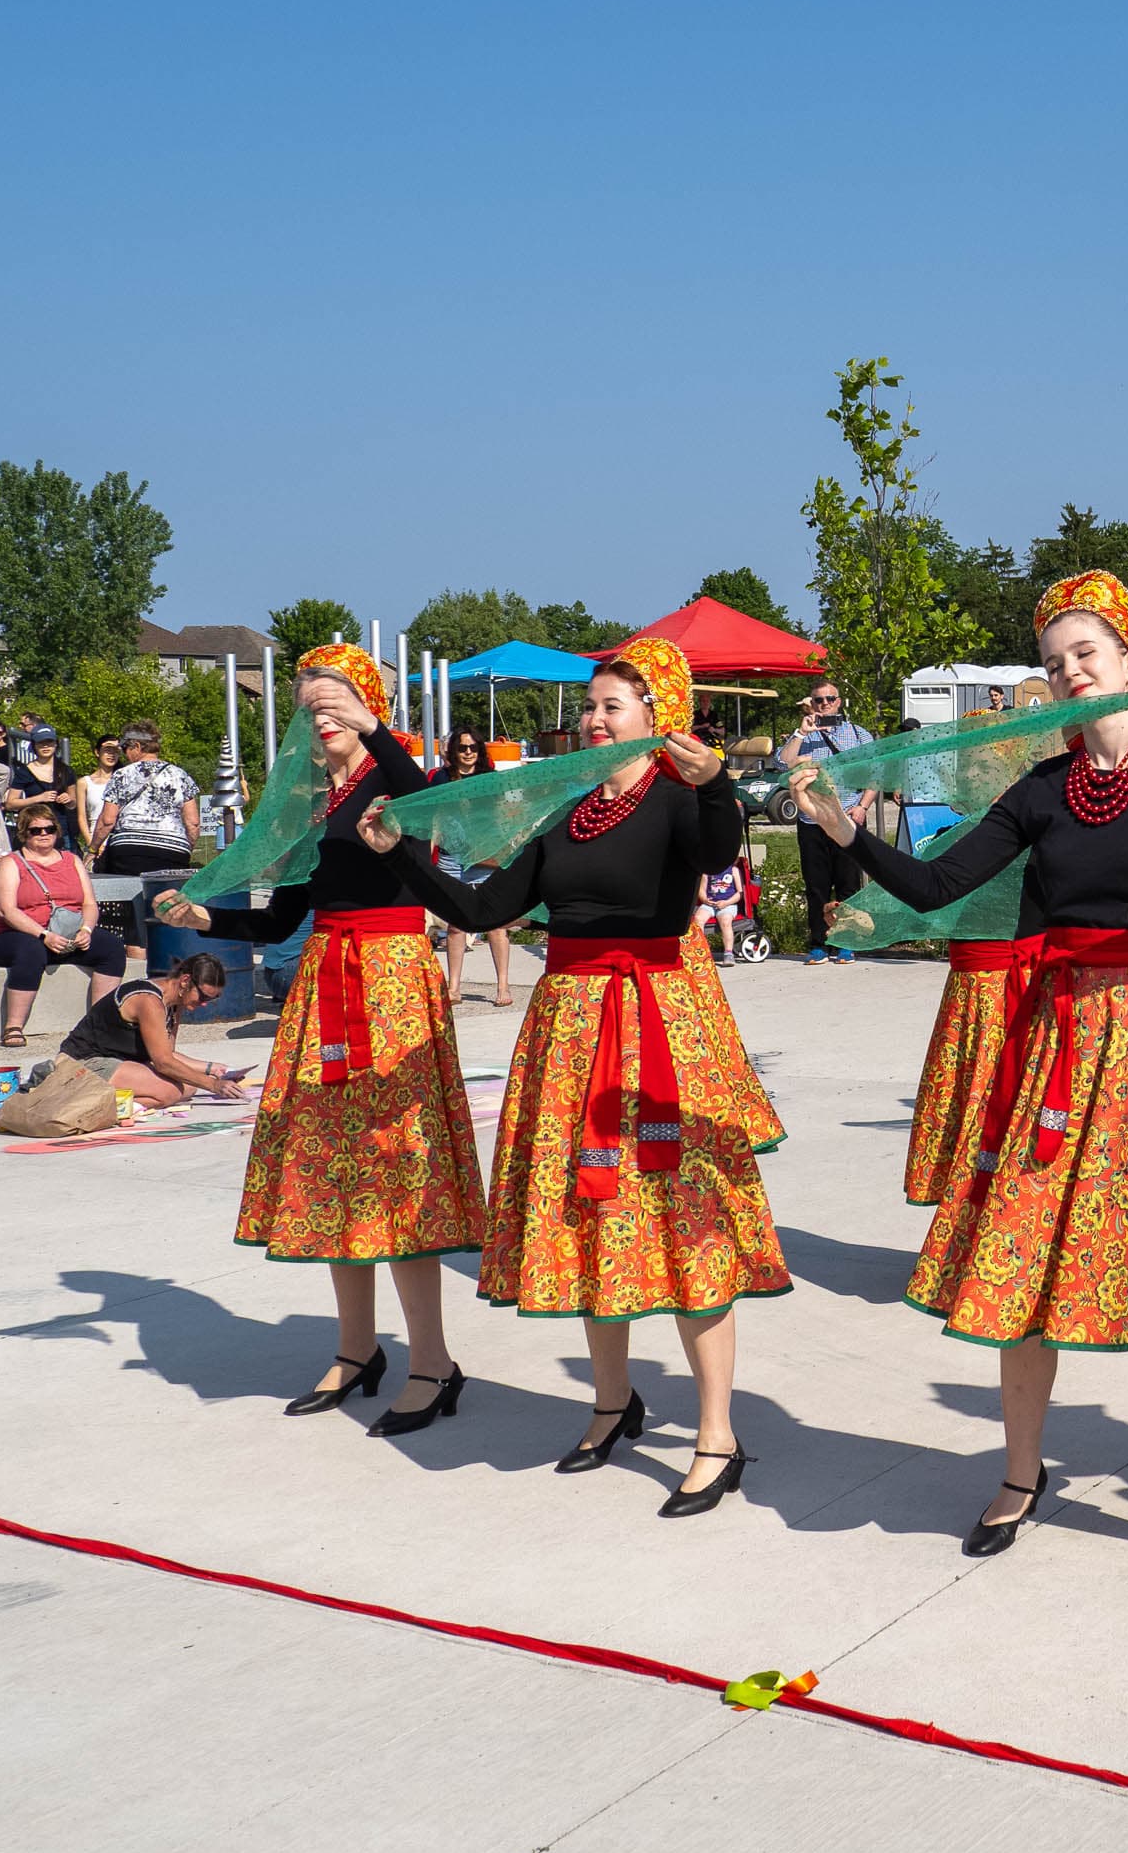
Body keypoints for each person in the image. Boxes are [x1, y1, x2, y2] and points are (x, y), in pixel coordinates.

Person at [792, 570, 1128, 1581]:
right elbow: (937, 885)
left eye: (1086, 653)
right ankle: (1020, 1472)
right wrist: (845, 834)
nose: (1070, 673)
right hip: (1055, 1039)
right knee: (1021, 1256)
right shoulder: (1044, 789)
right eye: (1055, 663)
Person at [365, 636, 788, 1517]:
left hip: (657, 1026)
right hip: (568, 1023)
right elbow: (485, 908)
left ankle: (717, 1434)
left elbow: (718, 851)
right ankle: (610, 1402)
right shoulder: (564, 811)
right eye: (590, 705)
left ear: (655, 717)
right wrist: (400, 851)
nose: (593, 718)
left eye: (612, 705)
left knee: (682, 1224)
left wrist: (712, 778)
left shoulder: (680, 799)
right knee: (589, 1212)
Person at [153, 645, 490, 1433]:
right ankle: (356, 1348)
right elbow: (278, 917)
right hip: (325, 974)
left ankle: (433, 1360)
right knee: (333, 1167)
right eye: (310, 704)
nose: (320, 713)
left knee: (400, 1172)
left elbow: (433, 810)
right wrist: (208, 917)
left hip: (393, 983)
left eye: (334, 697)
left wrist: (376, 730)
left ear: (369, 700)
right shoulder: (313, 798)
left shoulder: (396, 776)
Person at [0, 808, 127, 1047]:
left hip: (67, 932)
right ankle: (13, 1026)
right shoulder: (11, 863)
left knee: (112, 946)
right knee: (31, 950)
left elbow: (89, 903)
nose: (43, 834)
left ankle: (99, 1023)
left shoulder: (72, 860)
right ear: (24, 834)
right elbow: (6, 911)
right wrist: (43, 934)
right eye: (35, 830)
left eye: (49, 829)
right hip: (15, 934)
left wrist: (86, 930)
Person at [59, 953, 247, 1108]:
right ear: (185, 980)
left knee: (189, 1086)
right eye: (203, 996)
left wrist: (213, 1069)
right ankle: (84, 1102)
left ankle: (116, 1101)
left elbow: (167, 1053)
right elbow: (163, 1063)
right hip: (83, 1062)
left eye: (211, 999)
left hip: (118, 1059)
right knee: (169, 1092)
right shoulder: (149, 1001)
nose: (204, 1003)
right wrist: (214, 1085)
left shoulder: (175, 1002)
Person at [781, 681, 874, 962]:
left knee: (848, 884)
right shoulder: (803, 735)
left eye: (830, 699)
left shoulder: (858, 734)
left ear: (839, 701)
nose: (824, 704)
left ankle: (846, 941)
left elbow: (874, 773)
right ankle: (819, 943)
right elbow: (784, 762)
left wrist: (862, 806)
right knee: (816, 885)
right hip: (812, 821)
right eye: (819, 700)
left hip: (846, 818)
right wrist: (800, 732)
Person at [426, 727, 514, 1006]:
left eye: (472, 748)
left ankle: (503, 986)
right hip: (452, 855)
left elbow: (500, 815)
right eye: (462, 748)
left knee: (496, 924)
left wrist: (503, 850)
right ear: (454, 750)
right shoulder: (441, 778)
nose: (467, 753)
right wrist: (428, 854)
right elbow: (435, 818)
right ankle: (454, 987)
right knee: (455, 924)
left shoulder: (489, 779)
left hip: (482, 854)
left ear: (480, 750)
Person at [89, 722, 201, 887]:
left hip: (129, 851)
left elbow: (107, 820)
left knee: (129, 899)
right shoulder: (180, 775)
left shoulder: (122, 775)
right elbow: (193, 823)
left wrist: (92, 849)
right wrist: (184, 847)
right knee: (168, 903)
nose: (125, 754)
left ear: (137, 746)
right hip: (173, 851)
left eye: (126, 747)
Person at [1, 726, 80, 852]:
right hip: (35, 831)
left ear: (55, 744)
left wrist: (68, 800)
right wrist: (39, 798)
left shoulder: (66, 770)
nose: (45, 746)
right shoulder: (24, 771)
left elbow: (73, 803)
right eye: (41, 743)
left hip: (61, 830)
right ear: (34, 745)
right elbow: (11, 804)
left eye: (49, 742)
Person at [73, 733, 124, 846]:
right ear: (97, 752)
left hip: (119, 839)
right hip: (95, 837)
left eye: (116, 751)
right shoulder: (84, 782)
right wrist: (91, 843)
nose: (112, 755)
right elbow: (82, 817)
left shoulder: (125, 779)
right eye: (108, 750)